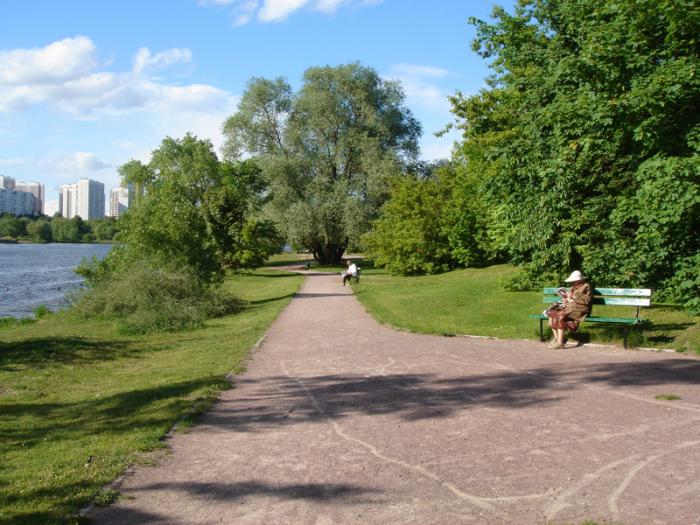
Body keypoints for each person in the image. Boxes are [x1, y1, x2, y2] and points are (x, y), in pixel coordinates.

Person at [546, 270, 592, 349]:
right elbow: (570, 299)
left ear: (579, 280)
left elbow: (587, 300)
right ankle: (557, 338)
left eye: (574, 281)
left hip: (580, 309)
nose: (572, 282)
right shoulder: (573, 287)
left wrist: (573, 297)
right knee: (552, 313)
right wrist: (565, 298)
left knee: (560, 316)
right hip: (570, 307)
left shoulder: (586, 286)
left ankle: (560, 343)